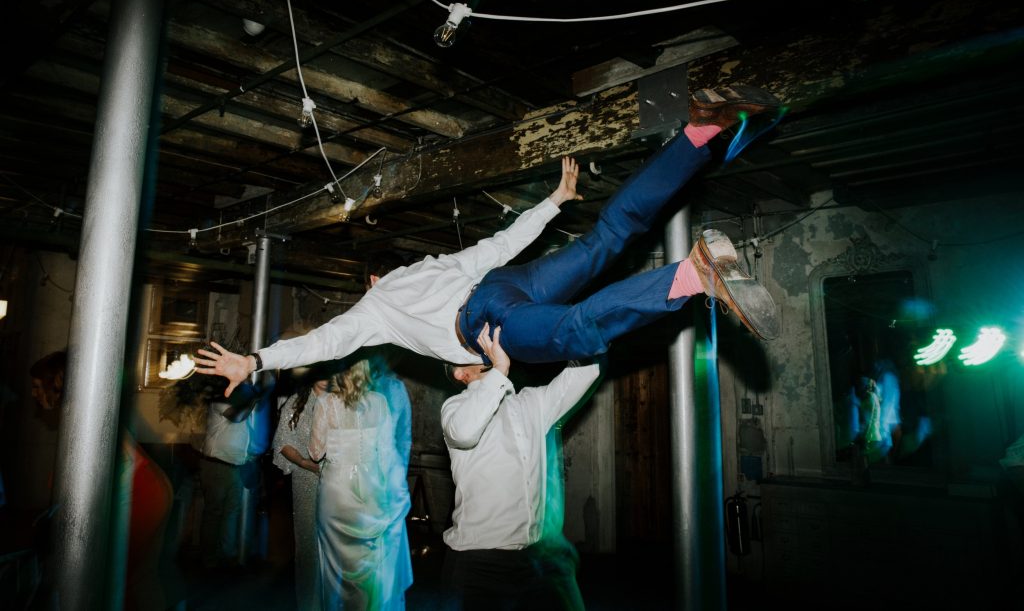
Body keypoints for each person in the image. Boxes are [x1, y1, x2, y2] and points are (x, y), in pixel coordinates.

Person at [196, 85, 783, 395]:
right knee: (611, 235)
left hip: (483, 321)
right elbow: (498, 248)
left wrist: (256, 359)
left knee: (574, 331)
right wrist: (552, 203)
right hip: (502, 283)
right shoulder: (430, 261)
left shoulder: (374, 309)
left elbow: (323, 343)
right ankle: (701, 127)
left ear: (372, 280)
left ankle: (693, 275)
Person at [441, 323, 601, 610]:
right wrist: (499, 369)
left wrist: (589, 324)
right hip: (479, 562)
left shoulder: (531, 402)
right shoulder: (454, 409)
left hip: (534, 558)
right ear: (461, 373)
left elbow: (582, 374)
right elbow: (464, 432)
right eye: (469, 351)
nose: (481, 347)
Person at [29, 351, 177, 611]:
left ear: (58, 383)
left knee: (119, 578)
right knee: (135, 579)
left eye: (37, 386)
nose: (33, 393)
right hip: (146, 488)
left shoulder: (84, 415)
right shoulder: (87, 410)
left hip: (140, 493)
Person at [309, 356, 413, 610]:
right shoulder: (379, 402)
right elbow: (387, 453)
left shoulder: (325, 402)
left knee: (334, 564)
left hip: (336, 491)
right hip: (369, 489)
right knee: (368, 560)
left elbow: (315, 453)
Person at [271, 362, 332, 611]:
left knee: (333, 543)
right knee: (307, 544)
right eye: (322, 372)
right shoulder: (297, 402)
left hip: (337, 482)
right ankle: (308, 604)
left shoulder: (341, 402)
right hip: (305, 479)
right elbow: (283, 443)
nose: (327, 377)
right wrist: (309, 465)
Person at [199, 388, 268, 570]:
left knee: (231, 513)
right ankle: (208, 560)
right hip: (216, 465)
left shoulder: (241, 402)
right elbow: (237, 417)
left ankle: (226, 557)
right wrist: (254, 399)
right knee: (214, 514)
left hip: (234, 466)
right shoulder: (219, 398)